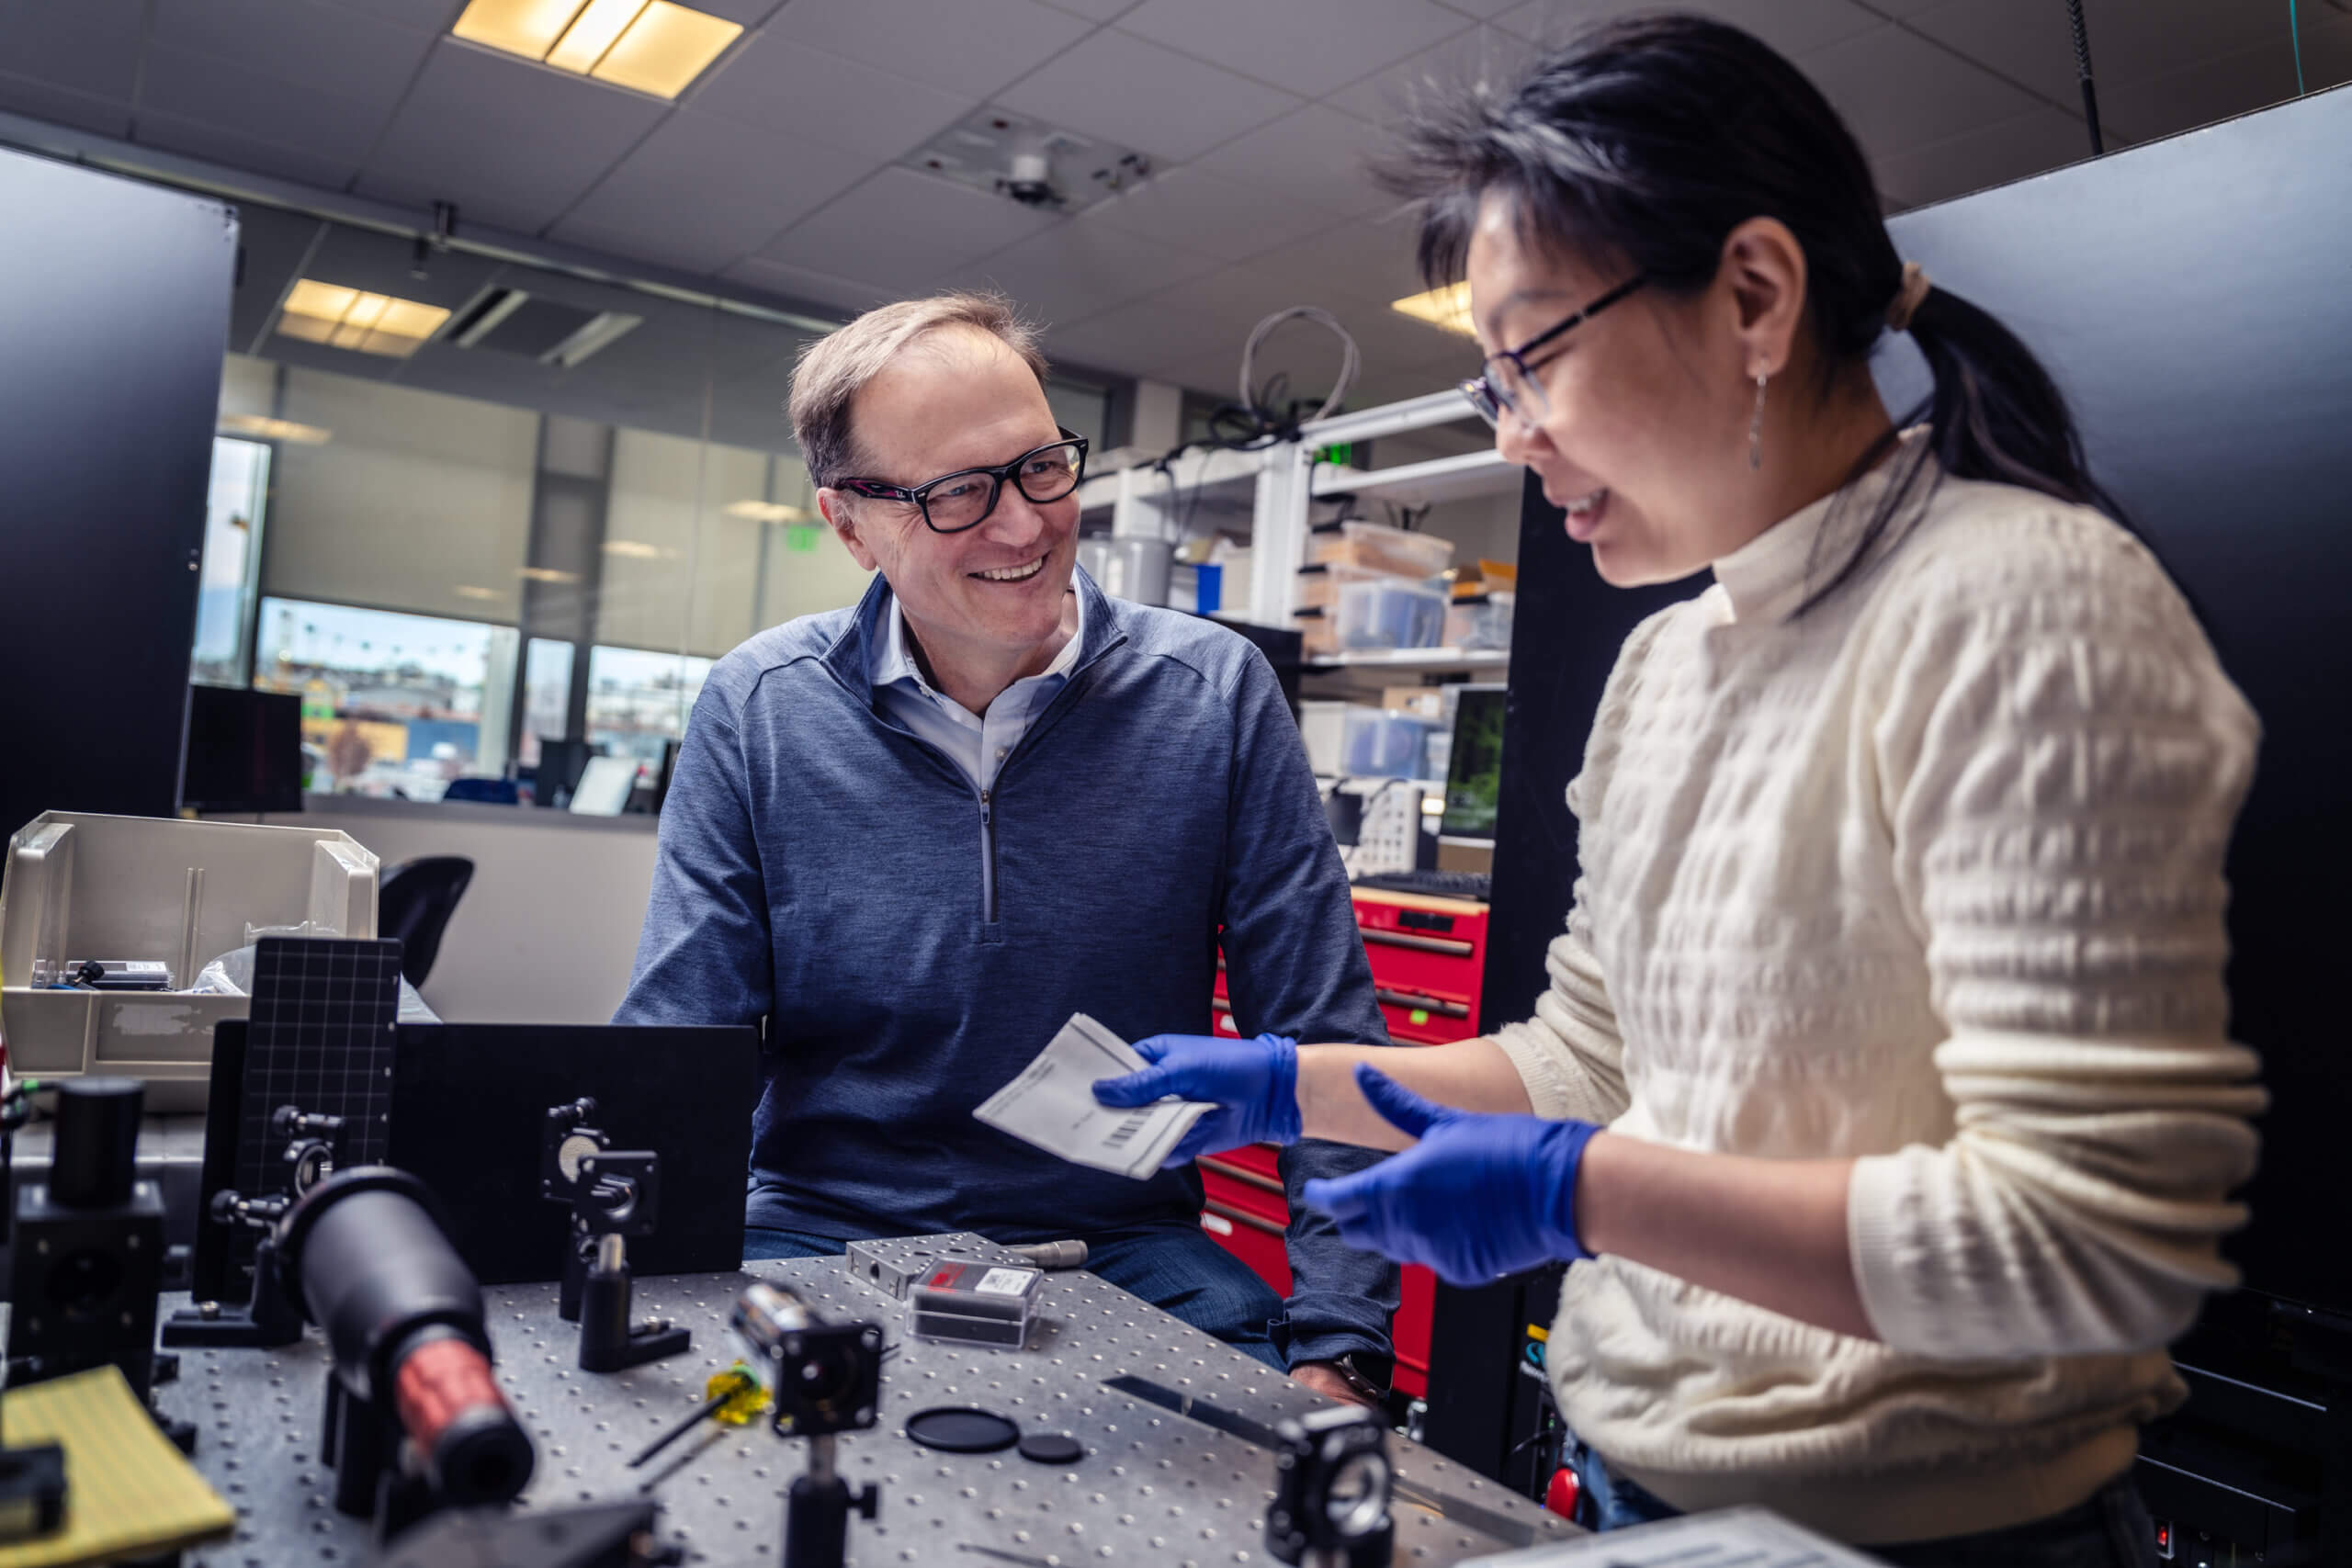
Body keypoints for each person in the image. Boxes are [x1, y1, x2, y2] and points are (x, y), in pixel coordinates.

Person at [1092, 16, 2261, 1561]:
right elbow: (1595, 1050)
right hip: (1645, 1493)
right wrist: (1289, 1086)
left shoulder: (2026, 609)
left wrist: (1592, 1193)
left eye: (1531, 360)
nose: (1513, 433)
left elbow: (2088, 1245)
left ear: (1756, 299)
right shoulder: (1669, 662)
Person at [615, 292, 1396, 1404]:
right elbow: (678, 1041)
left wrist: (1340, 1342)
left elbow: (1323, 1037)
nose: (1025, 525)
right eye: (958, 494)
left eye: (1040, 468)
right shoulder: (762, 707)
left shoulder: (1213, 696)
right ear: (850, 524)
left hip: (1120, 1239)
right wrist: (620, 1270)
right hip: (819, 1225)